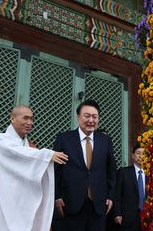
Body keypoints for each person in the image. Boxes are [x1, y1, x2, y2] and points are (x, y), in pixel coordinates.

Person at [0, 105, 67, 231]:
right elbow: (18, 153)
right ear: (12, 119)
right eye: (26, 118)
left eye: (32, 119)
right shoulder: (1, 140)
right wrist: (47, 155)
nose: (30, 123)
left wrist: (44, 159)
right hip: (3, 197)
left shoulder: (30, 147)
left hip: (24, 203)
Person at [53, 99, 117, 231]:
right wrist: (57, 196)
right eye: (87, 116)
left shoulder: (105, 140)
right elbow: (55, 171)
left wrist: (110, 196)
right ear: (78, 117)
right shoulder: (64, 138)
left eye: (95, 116)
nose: (91, 120)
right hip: (70, 203)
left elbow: (111, 171)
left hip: (98, 203)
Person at [113, 143, 146, 231]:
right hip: (128, 217)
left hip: (147, 216)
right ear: (132, 155)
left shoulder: (151, 173)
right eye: (138, 153)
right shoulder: (123, 172)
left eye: (144, 153)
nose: (141, 156)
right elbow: (117, 194)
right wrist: (117, 213)